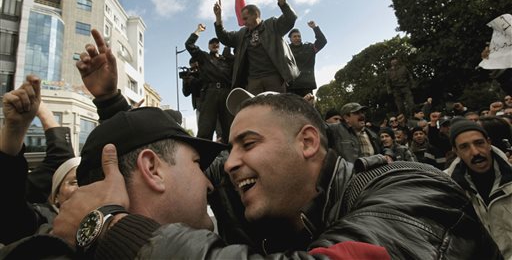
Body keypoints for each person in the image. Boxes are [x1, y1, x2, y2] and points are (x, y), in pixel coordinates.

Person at [52, 89, 502, 259]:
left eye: (248, 144)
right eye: (228, 149)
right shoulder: (245, 201)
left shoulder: (414, 188)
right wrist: (114, 107)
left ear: (307, 143)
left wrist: (109, 228)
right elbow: (160, 163)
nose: (226, 166)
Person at [0, 76, 79, 246]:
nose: (82, 188)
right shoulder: (41, 221)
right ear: (55, 197)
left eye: (89, 182)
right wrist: (15, 130)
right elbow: (9, 211)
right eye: (74, 182)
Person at [213, 0, 299, 94]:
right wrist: (218, 18)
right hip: (253, 81)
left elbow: (290, 18)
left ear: (256, 15)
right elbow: (224, 37)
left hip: (274, 78)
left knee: (276, 109)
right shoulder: (242, 34)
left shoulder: (272, 25)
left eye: (246, 18)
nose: (244, 22)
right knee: (256, 110)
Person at [445, 119, 512, 259]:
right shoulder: (448, 190)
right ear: (455, 151)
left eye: (479, 143)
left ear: (488, 142)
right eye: (464, 147)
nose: (475, 152)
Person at [185, 23, 233, 143]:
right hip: (210, 93)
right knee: (205, 128)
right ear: (208, 46)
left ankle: (231, 155)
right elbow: (189, 45)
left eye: (217, 43)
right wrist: (198, 30)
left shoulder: (227, 60)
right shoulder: (204, 57)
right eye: (212, 43)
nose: (215, 44)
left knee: (229, 128)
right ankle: (203, 157)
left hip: (226, 93)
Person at [286, 20, 327, 96]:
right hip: (291, 87)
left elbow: (322, 41)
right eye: (294, 36)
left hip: (306, 86)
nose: (297, 38)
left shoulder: (309, 48)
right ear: (290, 39)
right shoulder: (285, 50)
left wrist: (314, 27)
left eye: (299, 36)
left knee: (307, 107)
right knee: (292, 108)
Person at [181, 57, 202, 121]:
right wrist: (185, 82)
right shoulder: (190, 77)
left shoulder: (205, 73)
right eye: (192, 68)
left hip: (209, 104)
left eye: (196, 68)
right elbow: (186, 93)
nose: (195, 70)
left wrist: (193, 80)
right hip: (199, 107)